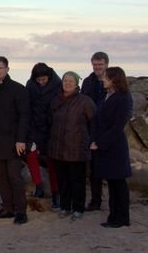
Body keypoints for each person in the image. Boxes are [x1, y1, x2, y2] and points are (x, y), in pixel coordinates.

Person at [0, 56, 30, 225]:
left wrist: (21, 140)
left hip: (13, 142)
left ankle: (21, 211)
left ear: (7, 69)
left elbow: (24, 116)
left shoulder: (18, 89)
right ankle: (7, 208)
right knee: (1, 177)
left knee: (14, 177)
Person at [48, 71, 96, 221]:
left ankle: (78, 208)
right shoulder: (56, 100)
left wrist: (91, 141)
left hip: (77, 149)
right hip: (58, 148)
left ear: (76, 84)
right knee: (63, 180)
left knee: (77, 181)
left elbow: (94, 123)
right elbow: (50, 121)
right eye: (65, 81)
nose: (67, 83)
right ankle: (65, 207)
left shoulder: (85, 101)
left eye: (70, 81)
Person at [90, 67, 133, 228]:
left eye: (106, 78)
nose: (103, 80)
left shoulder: (124, 98)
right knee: (112, 183)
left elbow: (117, 127)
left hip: (114, 147)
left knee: (118, 184)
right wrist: (94, 140)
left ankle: (121, 218)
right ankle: (114, 216)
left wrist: (100, 143)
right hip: (105, 146)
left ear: (115, 79)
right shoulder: (107, 95)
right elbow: (98, 119)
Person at [25, 63, 61, 208]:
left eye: (44, 80)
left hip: (52, 129)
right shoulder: (30, 85)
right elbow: (28, 108)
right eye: (38, 80)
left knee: (52, 161)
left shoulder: (58, 85)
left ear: (49, 77)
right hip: (35, 128)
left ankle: (56, 193)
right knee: (31, 155)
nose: (41, 82)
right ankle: (38, 186)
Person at [81, 51, 109, 212]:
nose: (97, 67)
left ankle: (115, 201)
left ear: (106, 65)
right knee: (94, 168)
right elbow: (82, 102)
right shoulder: (88, 82)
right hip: (91, 128)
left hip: (107, 129)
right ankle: (95, 200)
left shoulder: (112, 80)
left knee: (111, 168)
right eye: (95, 64)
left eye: (100, 64)